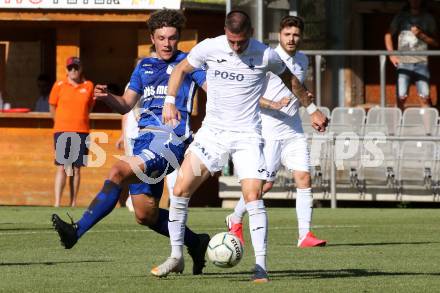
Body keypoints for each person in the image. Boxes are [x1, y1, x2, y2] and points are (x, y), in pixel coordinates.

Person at [153, 10, 328, 282]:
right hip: (212, 134)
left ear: (250, 34)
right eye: (232, 41)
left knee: (253, 195)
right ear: (225, 31)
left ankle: (260, 266)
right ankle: (176, 256)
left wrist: (313, 109)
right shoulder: (210, 47)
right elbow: (181, 69)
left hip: (248, 135)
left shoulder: (265, 54)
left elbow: (291, 81)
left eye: (241, 42)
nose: (236, 47)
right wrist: (169, 101)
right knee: (180, 189)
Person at [51, 9, 210, 276]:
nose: (167, 43)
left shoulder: (188, 64)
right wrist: (107, 97)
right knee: (144, 214)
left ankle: (75, 232)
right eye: (162, 38)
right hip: (144, 142)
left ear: (178, 38)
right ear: (153, 38)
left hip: (171, 140)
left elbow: (214, 93)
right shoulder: (143, 67)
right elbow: (126, 104)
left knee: (117, 171)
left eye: (172, 38)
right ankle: (197, 242)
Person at [225, 15, 327, 249]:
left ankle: (305, 235)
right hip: (267, 129)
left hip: (293, 128)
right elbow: (247, 93)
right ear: (279, 35)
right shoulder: (266, 57)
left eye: (296, 35)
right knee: (264, 185)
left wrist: (308, 100)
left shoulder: (303, 59)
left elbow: (297, 88)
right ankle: (235, 218)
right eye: (287, 34)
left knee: (304, 177)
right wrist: (274, 104)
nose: (292, 39)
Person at [49, 57, 94, 207]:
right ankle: (57, 202)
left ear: (81, 69)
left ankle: (73, 202)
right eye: (70, 68)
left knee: (76, 168)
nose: (73, 71)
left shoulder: (88, 86)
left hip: (81, 131)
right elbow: (52, 107)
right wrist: (60, 123)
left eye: (76, 68)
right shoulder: (59, 85)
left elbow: (89, 107)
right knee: (62, 166)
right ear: (66, 70)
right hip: (62, 131)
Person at [384, 0, 438, 110]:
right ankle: (398, 126)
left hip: (421, 63)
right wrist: (391, 55)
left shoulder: (428, 18)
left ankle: (427, 128)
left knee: (425, 98)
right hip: (403, 63)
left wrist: (421, 35)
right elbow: (387, 35)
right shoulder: (401, 17)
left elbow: (436, 42)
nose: (415, 1)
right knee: (401, 97)